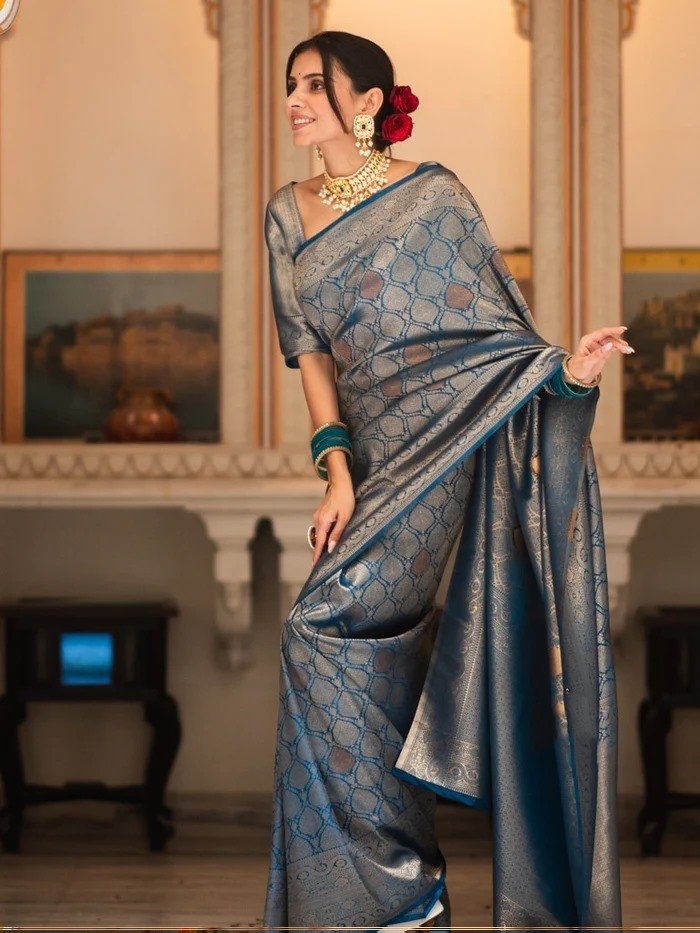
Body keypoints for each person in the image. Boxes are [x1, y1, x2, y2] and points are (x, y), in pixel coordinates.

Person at [264, 30, 626, 931]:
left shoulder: (434, 196)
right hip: (370, 461)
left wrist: (567, 373)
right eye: (290, 86)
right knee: (343, 647)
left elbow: (494, 338)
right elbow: (311, 354)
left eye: (314, 85)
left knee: (318, 629)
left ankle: (402, 878)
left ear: (368, 103)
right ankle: (391, 888)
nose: (295, 101)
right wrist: (336, 470)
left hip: (445, 445)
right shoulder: (286, 213)